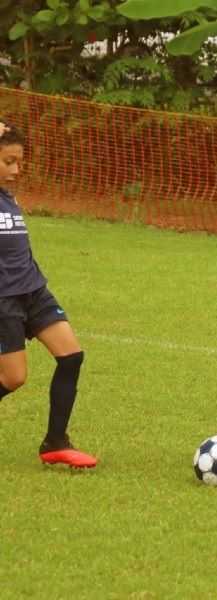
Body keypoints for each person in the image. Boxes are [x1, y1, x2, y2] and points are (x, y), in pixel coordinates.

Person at [0, 121, 97, 468]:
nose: (16, 169)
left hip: (34, 290)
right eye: (8, 161)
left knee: (71, 356)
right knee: (13, 378)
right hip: (3, 300)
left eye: (19, 161)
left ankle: (55, 442)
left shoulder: (9, 196)